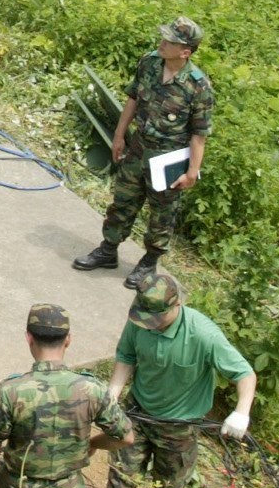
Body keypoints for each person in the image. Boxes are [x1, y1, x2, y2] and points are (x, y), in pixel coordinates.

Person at [0, 304, 135, 488]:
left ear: (28, 337)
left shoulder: (11, 390)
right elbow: (125, 437)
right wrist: (93, 443)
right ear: (68, 340)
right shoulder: (91, 388)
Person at [99, 273, 256, 488]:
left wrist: (242, 411)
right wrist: (114, 391)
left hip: (178, 427)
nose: (149, 324)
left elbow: (244, 374)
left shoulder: (203, 335)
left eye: (156, 318)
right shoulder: (140, 322)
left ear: (177, 305)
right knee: (121, 476)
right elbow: (126, 354)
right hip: (137, 412)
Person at [73, 17, 214, 290]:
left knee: (162, 213)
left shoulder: (198, 86)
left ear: (185, 51)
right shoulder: (149, 63)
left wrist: (192, 172)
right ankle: (108, 249)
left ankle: (149, 261)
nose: (162, 42)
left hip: (168, 158)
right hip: (138, 148)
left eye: (170, 41)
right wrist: (119, 135)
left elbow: (200, 134)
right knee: (123, 201)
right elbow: (133, 99)